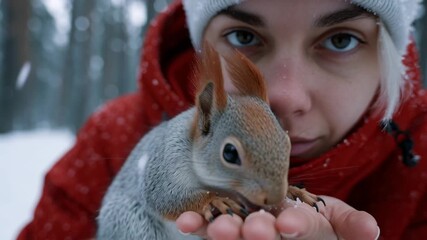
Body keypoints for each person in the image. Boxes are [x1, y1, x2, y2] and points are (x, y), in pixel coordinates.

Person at [17, 0, 426, 239]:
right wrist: (208, 201)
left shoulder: (419, 165)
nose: (286, 95)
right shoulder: (112, 137)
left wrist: (282, 193)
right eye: (244, 37)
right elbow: (163, 197)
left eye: (341, 40)